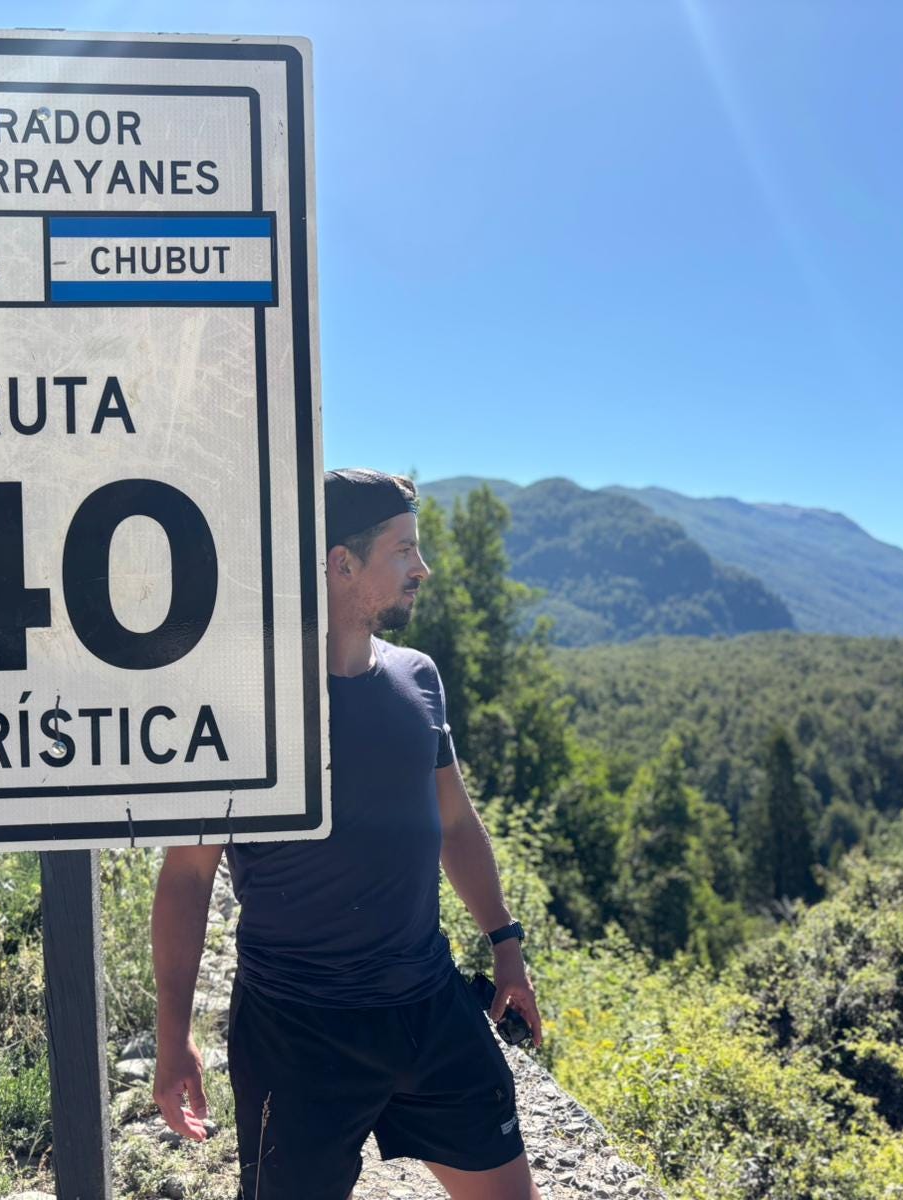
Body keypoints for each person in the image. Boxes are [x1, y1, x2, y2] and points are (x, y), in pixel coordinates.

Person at [151, 468, 545, 1200]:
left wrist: (506, 943)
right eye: (404, 550)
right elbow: (187, 876)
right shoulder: (245, 704)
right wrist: (173, 1038)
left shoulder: (419, 680)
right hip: (295, 1033)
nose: (423, 568)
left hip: (428, 1010)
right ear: (341, 564)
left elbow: (455, 823)